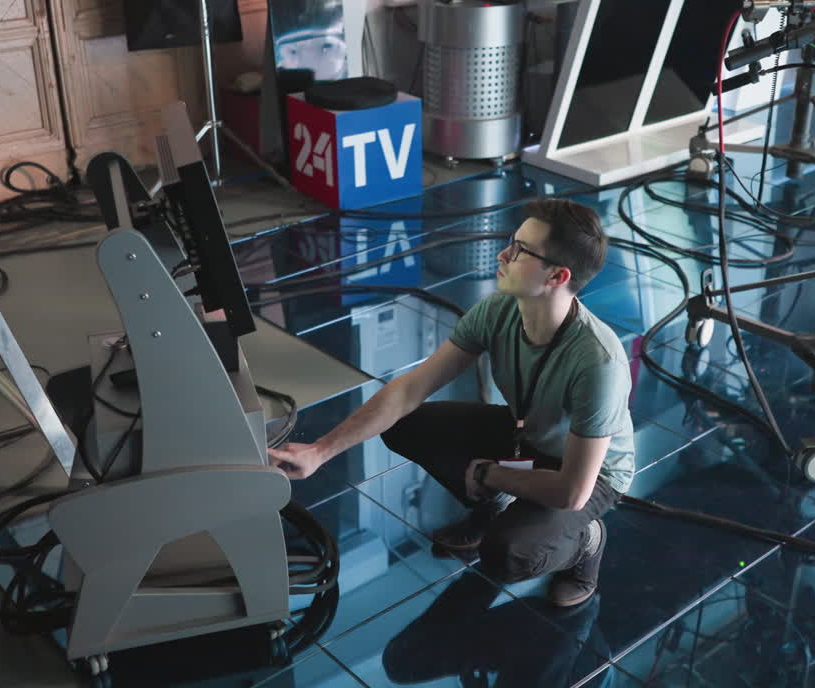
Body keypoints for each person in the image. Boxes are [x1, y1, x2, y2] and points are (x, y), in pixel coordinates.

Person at [268, 198, 635, 607]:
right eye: (510, 242)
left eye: (520, 250)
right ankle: (495, 506)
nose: (503, 254)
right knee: (406, 423)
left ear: (557, 276)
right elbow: (410, 390)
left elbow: (572, 492)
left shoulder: (598, 363)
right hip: (528, 437)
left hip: (589, 474)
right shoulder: (499, 310)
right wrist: (320, 452)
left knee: (508, 552)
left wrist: (489, 475)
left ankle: (585, 542)